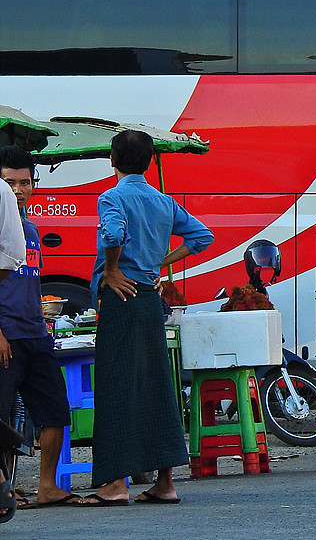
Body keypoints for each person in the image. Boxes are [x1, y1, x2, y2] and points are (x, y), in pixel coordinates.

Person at [86, 130, 213, 505]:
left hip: (120, 300)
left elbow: (113, 233)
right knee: (158, 387)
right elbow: (202, 237)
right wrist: (161, 263)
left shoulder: (112, 197)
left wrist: (110, 270)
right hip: (149, 301)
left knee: (116, 386)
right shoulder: (163, 201)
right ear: (150, 161)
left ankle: (114, 485)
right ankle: (165, 483)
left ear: (112, 159)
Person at [0, 147, 83, 509]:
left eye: (24, 182)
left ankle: (47, 486)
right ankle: (3, 488)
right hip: (5, 336)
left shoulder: (31, 229)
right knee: (0, 419)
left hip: (36, 335)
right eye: (9, 183)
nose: (18, 190)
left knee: (55, 411)